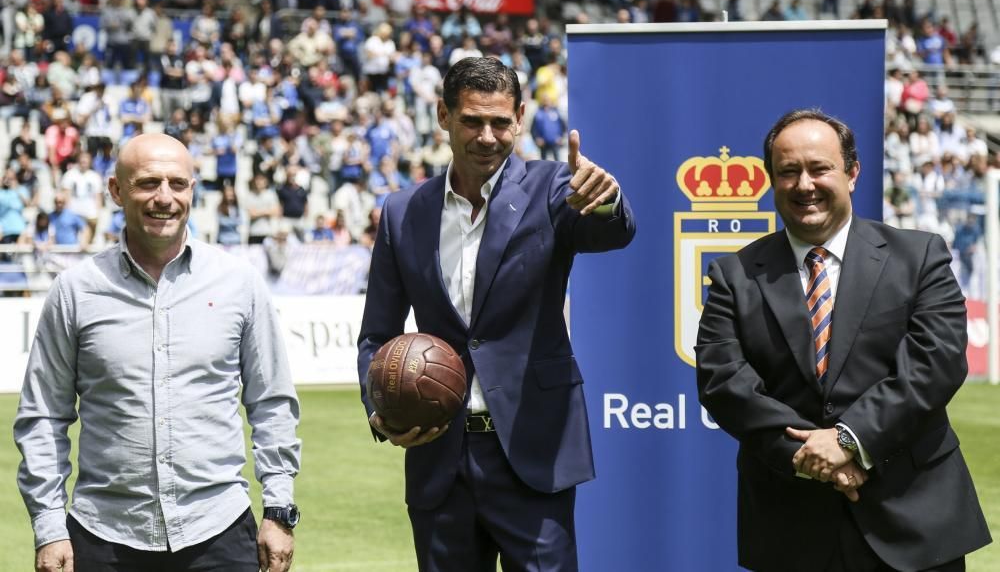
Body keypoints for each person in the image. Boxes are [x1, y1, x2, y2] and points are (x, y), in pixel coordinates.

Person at [357, 57, 636, 571]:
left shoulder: (555, 190)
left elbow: (612, 231)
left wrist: (605, 200)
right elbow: (376, 334)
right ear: (443, 115)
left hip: (535, 454)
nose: (487, 137)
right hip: (438, 456)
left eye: (500, 123)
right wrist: (381, 409)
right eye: (471, 121)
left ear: (521, 118)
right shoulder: (402, 212)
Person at [695, 109, 991, 572]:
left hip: (915, 522)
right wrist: (809, 455)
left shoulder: (920, 256)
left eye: (819, 168)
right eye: (788, 171)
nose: (804, 184)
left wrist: (851, 440)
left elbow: (935, 365)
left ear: (852, 173)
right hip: (790, 528)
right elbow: (722, 383)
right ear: (771, 181)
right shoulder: (733, 276)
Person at [14, 133, 302, 572]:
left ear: (192, 189)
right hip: (103, 537)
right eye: (147, 183)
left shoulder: (238, 283)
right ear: (116, 191)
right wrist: (49, 526)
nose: (163, 198)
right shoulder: (75, 291)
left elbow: (271, 403)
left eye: (177, 184)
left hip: (219, 532)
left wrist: (279, 509)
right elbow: (43, 416)